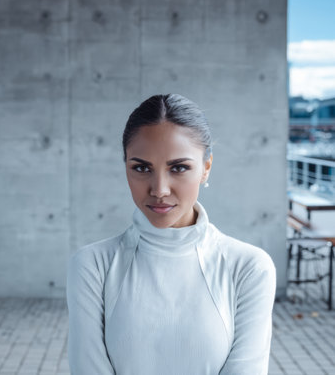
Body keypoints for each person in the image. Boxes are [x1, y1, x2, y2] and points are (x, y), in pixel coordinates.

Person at [66, 93, 277, 375]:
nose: (160, 189)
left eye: (178, 168)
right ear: (126, 167)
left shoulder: (249, 267)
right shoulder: (93, 266)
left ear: (206, 168)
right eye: (141, 168)